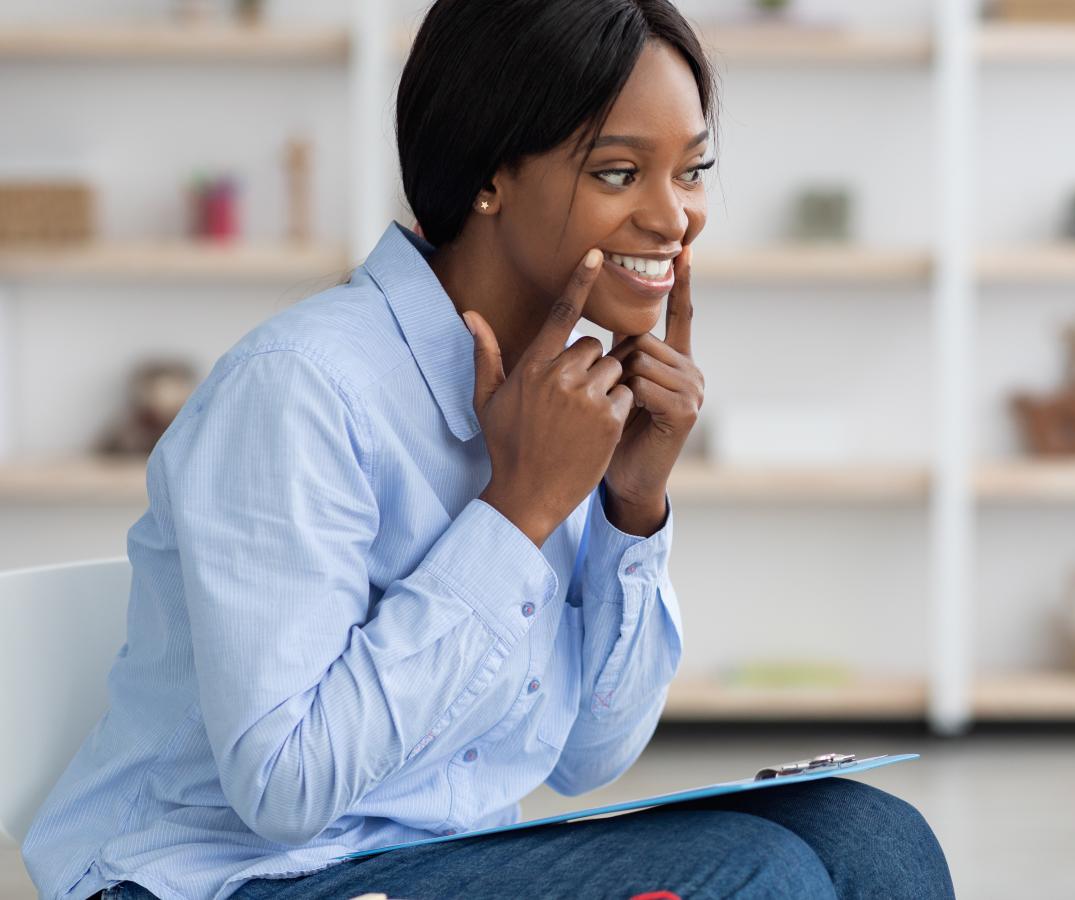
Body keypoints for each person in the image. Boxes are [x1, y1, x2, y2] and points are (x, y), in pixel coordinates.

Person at [22, 2, 952, 898]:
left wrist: (633, 508)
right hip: (230, 879)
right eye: (621, 173)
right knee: (762, 876)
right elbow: (286, 789)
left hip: (438, 863)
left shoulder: (563, 393)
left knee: (869, 834)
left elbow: (592, 756)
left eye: (693, 169)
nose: (676, 218)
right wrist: (517, 511)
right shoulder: (301, 386)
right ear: (488, 176)